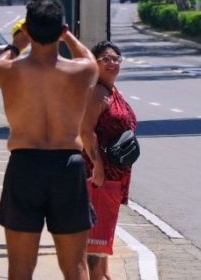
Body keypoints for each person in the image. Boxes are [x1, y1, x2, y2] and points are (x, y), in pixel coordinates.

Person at [0, 0, 99, 280]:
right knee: (75, 266)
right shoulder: (81, 71)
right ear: (60, 30)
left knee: (20, 267)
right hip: (66, 164)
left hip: (25, 164)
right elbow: (90, 58)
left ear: (28, 31)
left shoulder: (8, 71)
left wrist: (15, 46)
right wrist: (67, 34)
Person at [80, 41, 137, 280]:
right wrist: (98, 166)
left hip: (115, 175)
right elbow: (86, 131)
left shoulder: (111, 90)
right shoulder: (97, 92)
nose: (113, 62)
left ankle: (102, 274)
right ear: (95, 63)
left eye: (116, 58)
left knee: (103, 231)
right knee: (96, 237)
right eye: (106, 59)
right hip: (99, 175)